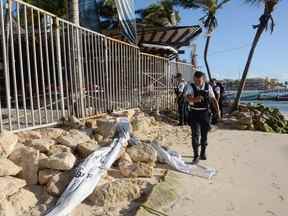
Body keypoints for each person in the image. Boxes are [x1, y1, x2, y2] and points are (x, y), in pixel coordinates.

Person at [185, 71, 221, 164]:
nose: (197, 82)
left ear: (203, 79)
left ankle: (203, 152)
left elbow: (213, 99)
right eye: (195, 80)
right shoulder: (190, 86)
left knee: (204, 135)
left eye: (199, 81)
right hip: (194, 113)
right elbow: (187, 98)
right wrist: (194, 99)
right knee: (195, 135)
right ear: (194, 79)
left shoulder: (208, 87)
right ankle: (196, 156)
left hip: (205, 113)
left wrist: (218, 111)